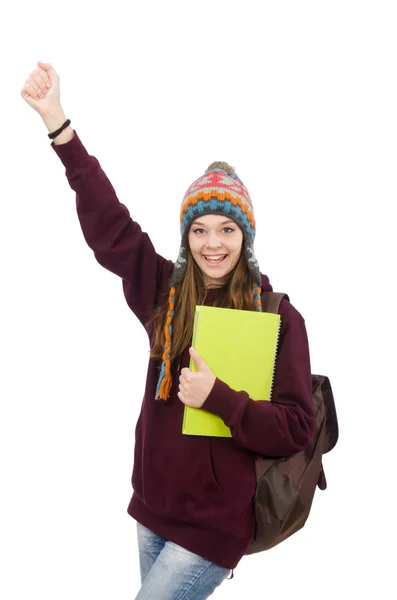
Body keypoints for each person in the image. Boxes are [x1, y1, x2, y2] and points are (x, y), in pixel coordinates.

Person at [21, 61, 315, 599]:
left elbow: (297, 427)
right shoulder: (167, 294)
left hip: (213, 529)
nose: (213, 243)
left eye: (227, 229)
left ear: (244, 237)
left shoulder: (278, 318)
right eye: (199, 229)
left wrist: (220, 399)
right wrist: (59, 126)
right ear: (187, 236)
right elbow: (112, 228)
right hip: (151, 510)